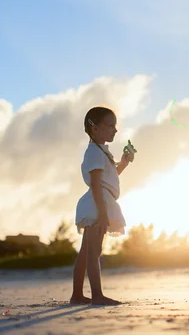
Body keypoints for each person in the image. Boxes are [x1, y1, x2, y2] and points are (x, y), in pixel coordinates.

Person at [70, 106, 133, 305]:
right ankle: (97, 295)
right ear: (95, 128)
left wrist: (123, 163)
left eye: (115, 126)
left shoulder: (101, 151)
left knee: (86, 252)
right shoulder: (95, 153)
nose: (115, 130)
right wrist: (103, 213)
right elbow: (96, 185)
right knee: (94, 251)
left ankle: (77, 295)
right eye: (110, 125)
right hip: (96, 204)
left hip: (98, 202)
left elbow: (108, 178)